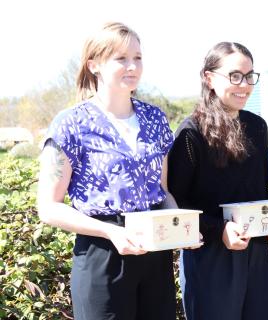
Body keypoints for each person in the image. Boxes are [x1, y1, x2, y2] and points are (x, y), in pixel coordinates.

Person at [37, 22, 177, 320]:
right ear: (94, 65)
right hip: (101, 255)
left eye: (138, 57)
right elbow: (48, 208)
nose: (133, 66)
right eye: (121, 58)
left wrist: (179, 226)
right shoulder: (70, 124)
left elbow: (162, 192)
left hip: (155, 256)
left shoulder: (156, 119)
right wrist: (110, 231)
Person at [167, 42, 268, 320]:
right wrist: (218, 230)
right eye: (235, 76)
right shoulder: (191, 133)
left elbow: (260, 190)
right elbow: (176, 202)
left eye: (249, 77)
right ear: (209, 78)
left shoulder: (257, 127)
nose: (244, 84)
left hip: (255, 254)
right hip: (209, 256)